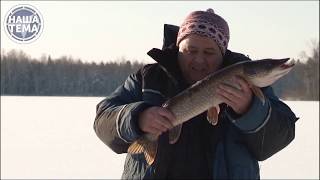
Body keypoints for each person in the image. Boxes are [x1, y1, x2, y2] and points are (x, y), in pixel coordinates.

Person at [94, 9, 298, 179]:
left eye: (209, 52)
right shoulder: (148, 79)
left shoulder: (251, 87)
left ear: (222, 53)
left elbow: (280, 136)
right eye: (191, 51)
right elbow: (103, 120)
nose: (199, 60)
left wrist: (250, 110)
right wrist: (137, 117)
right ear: (178, 47)